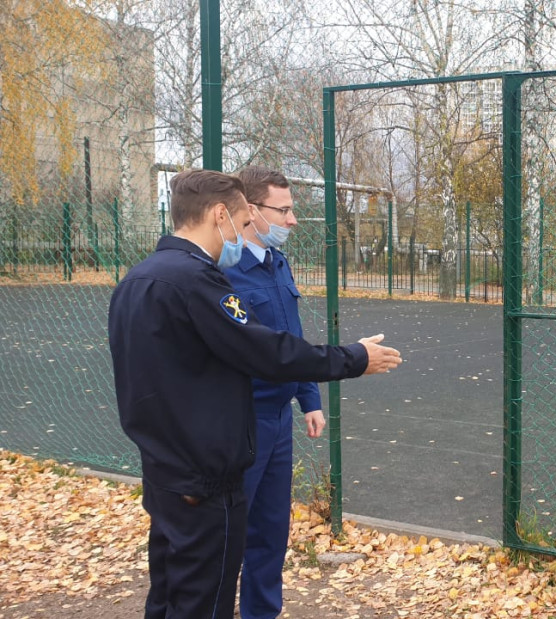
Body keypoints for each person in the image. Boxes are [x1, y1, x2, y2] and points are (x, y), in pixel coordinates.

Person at [108, 169, 402, 619]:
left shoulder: (137, 280)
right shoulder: (198, 283)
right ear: (220, 215)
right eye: (244, 224)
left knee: (170, 591)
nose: (245, 235)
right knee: (205, 598)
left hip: (165, 469)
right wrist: (355, 358)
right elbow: (269, 351)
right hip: (204, 478)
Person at [222, 166, 318, 618]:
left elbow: (292, 339)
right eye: (284, 210)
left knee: (271, 533)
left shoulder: (277, 263)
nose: (292, 219)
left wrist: (308, 398)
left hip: (278, 420)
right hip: (242, 422)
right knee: (227, 535)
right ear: (251, 211)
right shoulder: (224, 271)